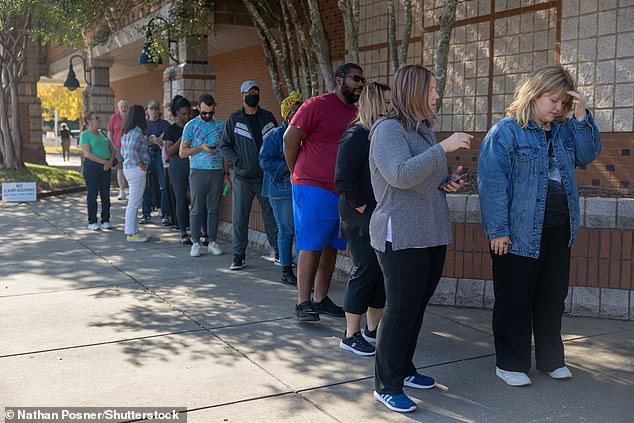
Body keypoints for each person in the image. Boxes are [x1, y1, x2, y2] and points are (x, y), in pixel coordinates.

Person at [478, 65, 601, 388]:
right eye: (552, 100)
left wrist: (580, 114)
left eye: (563, 102)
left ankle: (551, 360)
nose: (557, 108)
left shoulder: (563, 130)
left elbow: (587, 154)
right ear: (534, 94)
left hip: (560, 229)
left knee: (551, 298)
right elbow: (492, 184)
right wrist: (498, 230)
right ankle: (510, 363)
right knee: (515, 298)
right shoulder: (505, 132)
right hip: (516, 233)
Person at [369, 65, 472, 413]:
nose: (437, 95)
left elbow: (425, 178)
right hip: (400, 235)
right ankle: (386, 384)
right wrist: (442, 149)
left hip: (431, 231)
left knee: (416, 307)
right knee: (399, 309)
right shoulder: (387, 130)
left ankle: (404, 368)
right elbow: (398, 175)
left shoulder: (424, 131)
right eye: (432, 89)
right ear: (413, 90)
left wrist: (448, 181)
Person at [283, 63, 364, 321]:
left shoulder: (357, 112)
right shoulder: (316, 105)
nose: (360, 84)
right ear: (339, 79)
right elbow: (289, 139)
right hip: (311, 185)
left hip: (340, 189)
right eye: (355, 79)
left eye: (363, 80)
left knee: (331, 246)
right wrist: (297, 171)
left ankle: (320, 298)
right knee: (311, 244)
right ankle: (302, 302)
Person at [334, 82, 391, 356]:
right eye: (388, 102)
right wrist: (363, 207)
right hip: (360, 219)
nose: (392, 108)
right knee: (365, 270)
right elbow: (342, 178)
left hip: (377, 217)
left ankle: (372, 330)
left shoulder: (380, 134)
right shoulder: (356, 135)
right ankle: (350, 334)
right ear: (375, 103)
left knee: (379, 273)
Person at [220, 80, 278, 271]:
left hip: (265, 177)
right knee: (239, 217)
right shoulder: (235, 119)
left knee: (271, 215)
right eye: (249, 92)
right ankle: (239, 256)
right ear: (243, 95)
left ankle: (278, 252)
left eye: (256, 91)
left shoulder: (268, 118)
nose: (253, 94)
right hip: (243, 178)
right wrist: (237, 161)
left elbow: (278, 142)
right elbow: (224, 145)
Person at [259, 91, 303, 285]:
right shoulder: (275, 136)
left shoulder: (306, 133)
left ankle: (304, 273)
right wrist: (288, 166)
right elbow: (264, 160)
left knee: (302, 231)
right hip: (280, 190)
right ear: (286, 114)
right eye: (294, 110)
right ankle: (286, 270)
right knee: (286, 231)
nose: (298, 113)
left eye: (300, 110)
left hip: (301, 188)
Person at [180, 94, 228, 257]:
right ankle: (195, 242)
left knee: (214, 208)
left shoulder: (221, 125)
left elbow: (224, 152)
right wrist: (200, 147)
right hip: (198, 170)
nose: (207, 116)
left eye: (210, 113)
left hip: (217, 171)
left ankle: (212, 241)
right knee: (197, 207)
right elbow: (182, 152)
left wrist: (226, 173)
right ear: (198, 108)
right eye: (204, 113)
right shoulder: (190, 126)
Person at [79, 112, 115, 231]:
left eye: (99, 118)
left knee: (105, 194)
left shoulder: (102, 133)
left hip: (106, 166)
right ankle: (92, 221)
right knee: (92, 193)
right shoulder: (85, 135)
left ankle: (106, 219)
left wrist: (109, 161)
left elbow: (112, 149)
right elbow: (88, 154)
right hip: (92, 167)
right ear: (89, 121)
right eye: (96, 118)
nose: (99, 120)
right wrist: (103, 162)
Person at [164, 95, 193, 245]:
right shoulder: (171, 130)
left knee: (196, 197)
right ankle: (183, 232)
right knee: (181, 198)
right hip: (177, 165)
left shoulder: (194, 126)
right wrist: (182, 138)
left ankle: (200, 230)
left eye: (188, 113)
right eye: (183, 114)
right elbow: (168, 152)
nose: (186, 117)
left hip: (193, 162)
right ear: (176, 113)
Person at [121, 105, 150, 242]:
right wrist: (141, 165)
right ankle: (131, 233)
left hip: (128, 168)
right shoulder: (137, 132)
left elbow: (123, 151)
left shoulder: (126, 132)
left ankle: (134, 230)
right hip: (136, 169)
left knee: (134, 201)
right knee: (134, 202)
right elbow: (131, 151)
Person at [140, 100, 171, 226]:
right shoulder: (144, 125)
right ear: (147, 110)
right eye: (151, 108)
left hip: (160, 156)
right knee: (145, 185)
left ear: (159, 110)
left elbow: (167, 141)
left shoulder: (165, 124)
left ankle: (165, 214)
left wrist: (153, 139)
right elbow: (143, 142)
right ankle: (146, 214)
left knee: (163, 185)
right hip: (147, 154)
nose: (153, 111)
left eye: (155, 108)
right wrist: (154, 140)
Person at [107, 99, 129, 200]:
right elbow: (110, 132)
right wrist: (113, 145)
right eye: (122, 107)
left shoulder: (130, 117)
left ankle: (130, 189)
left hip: (129, 147)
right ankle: (122, 190)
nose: (123, 109)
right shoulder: (114, 118)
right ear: (118, 108)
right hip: (118, 146)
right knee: (120, 169)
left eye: (125, 106)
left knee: (129, 168)